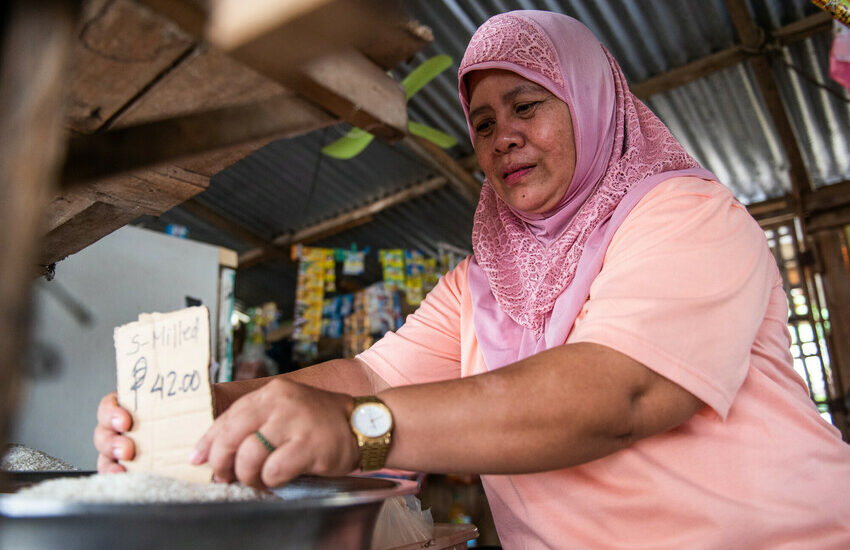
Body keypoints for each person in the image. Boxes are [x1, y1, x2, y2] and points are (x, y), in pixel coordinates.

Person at [95, 10, 850, 549]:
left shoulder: (684, 215)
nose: (503, 136)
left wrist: (360, 430)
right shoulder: (482, 286)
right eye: (483, 123)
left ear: (593, 105)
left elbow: (617, 394)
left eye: (526, 105)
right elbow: (367, 373)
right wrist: (204, 412)